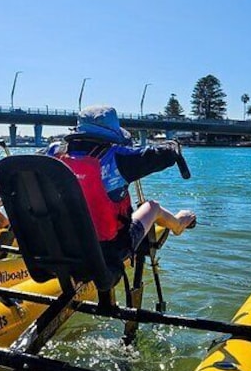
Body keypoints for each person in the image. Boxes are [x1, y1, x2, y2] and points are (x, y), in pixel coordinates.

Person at [42, 105, 196, 271]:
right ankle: (178, 225)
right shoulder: (117, 156)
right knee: (152, 207)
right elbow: (163, 154)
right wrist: (173, 146)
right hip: (108, 251)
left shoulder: (53, 152)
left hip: (57, 244)